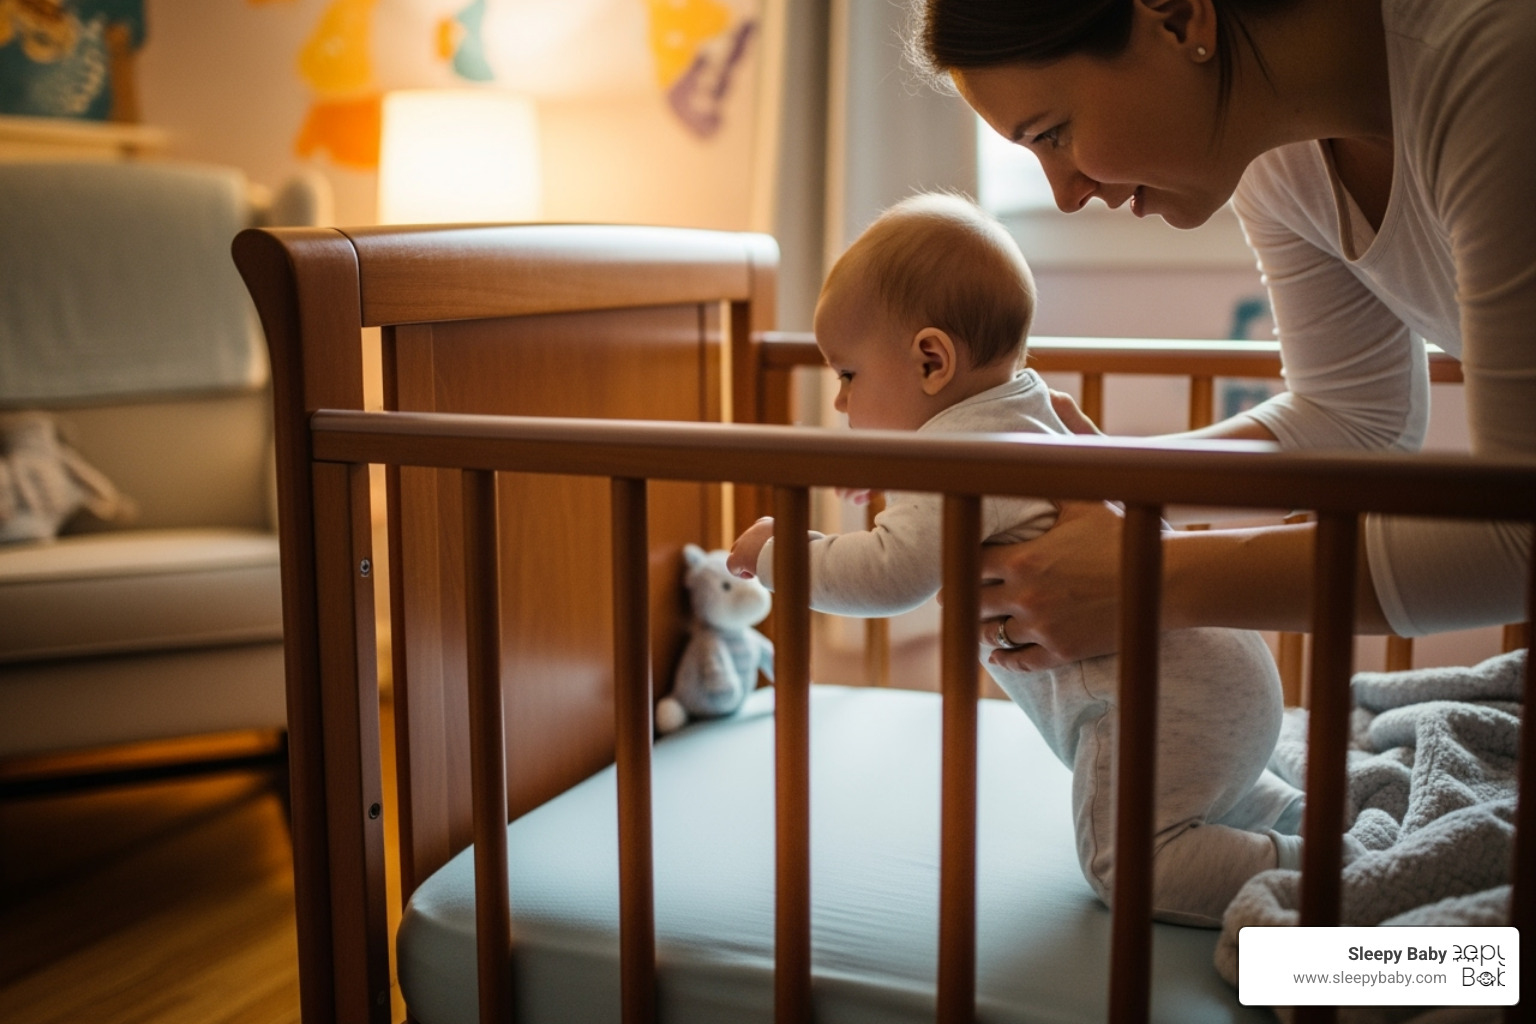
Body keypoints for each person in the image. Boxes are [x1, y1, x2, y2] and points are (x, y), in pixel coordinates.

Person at [727, 192, 1305, 926]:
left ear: (932, 360)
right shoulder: (1029, 405)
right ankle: (1294, 820)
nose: (841, 403)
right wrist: (896, 468)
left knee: (1129, 867)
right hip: (1224, 672)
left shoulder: (964, 461)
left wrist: (782, 553)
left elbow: (885, 576)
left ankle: (1317, 876)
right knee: (1209, 792)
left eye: (848, 376)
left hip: (1159, 705)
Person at [909, 0, 1534, 674]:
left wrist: (1147, 574)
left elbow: (1518, 526)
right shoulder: (1275, 149)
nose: (1065, 194)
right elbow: (1355, 419)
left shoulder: (1494, 59)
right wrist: (1101, 482)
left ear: (1180, 19)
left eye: (1052, 134)